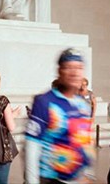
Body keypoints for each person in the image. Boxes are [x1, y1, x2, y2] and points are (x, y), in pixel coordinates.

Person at [25, 48, 95, 183]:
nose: (75, 72)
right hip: (52, 179)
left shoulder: (83, 105)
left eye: (79, 68)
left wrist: (87, 173)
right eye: (69, 67)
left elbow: (85, 142)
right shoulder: (44, 101)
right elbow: (31, 149)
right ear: (59, 71)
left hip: (76, 179)